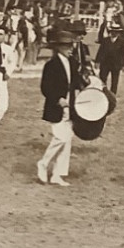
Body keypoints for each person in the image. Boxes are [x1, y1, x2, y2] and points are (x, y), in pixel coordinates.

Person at [37, 27, 80, 186]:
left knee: (67, 140)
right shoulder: (51, 65)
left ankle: (57, 174)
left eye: (71, 46)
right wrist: (58, 99)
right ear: (59, 48)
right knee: (60, 138)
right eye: (67, 46)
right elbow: (45, 87)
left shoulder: (73, 63)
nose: (70, 49)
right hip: (57, 106)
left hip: (71, 105)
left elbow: (77, 82)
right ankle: (43, 163)